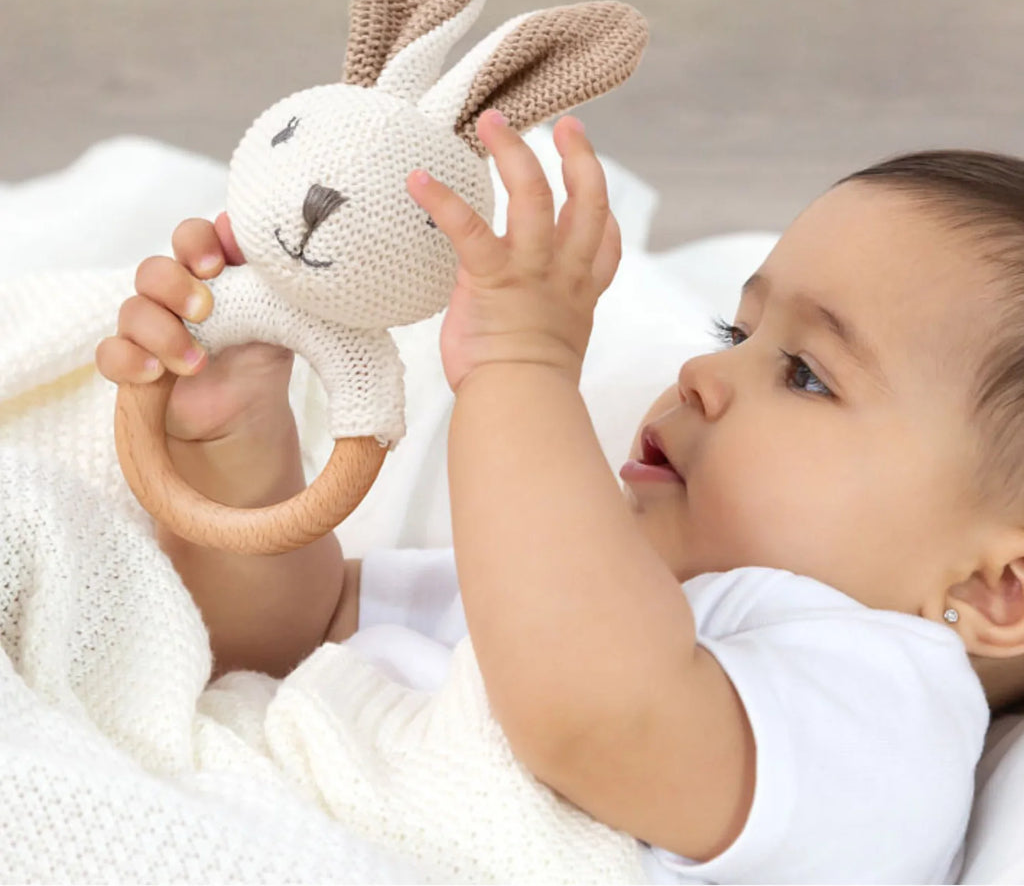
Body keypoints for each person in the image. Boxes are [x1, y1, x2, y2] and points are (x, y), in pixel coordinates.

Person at [96, 109, 1024, 883]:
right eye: (730, 329)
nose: (704, 370)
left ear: (998, 591)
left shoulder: (892, 710)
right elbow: (287, 640)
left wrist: (522, 366)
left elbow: (601, 720)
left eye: (808, 374)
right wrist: (239, 450)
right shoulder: (602, 585)